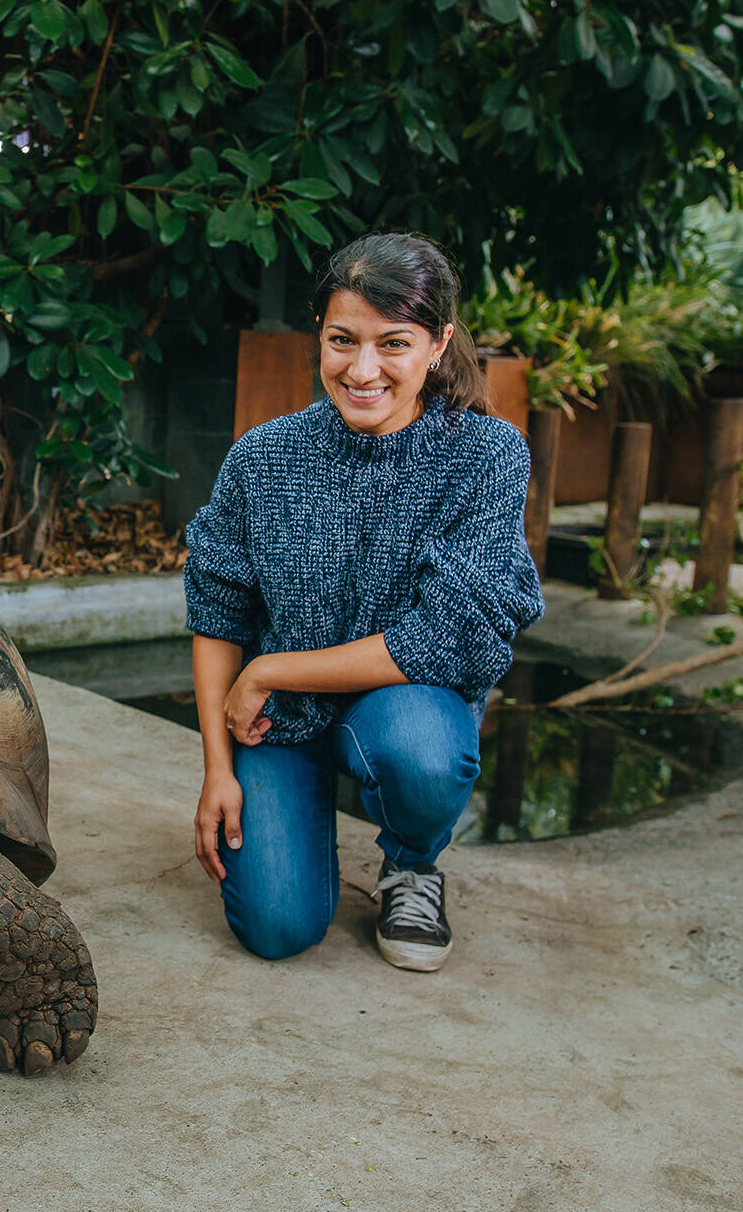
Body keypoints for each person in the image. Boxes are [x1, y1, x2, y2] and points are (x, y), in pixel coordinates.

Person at [185, 232, 544, 973]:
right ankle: (286, 810)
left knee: (420, 750)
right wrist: (218, 770)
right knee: (277, 930)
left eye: (394, 343)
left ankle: (412, 864)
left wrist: (273, 669)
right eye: (342, 339)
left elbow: (443, 639)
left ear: (439, 344)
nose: (362, 369)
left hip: (403, 706)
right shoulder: (263, 455)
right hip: (281, 724)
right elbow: (216, 614)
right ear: (319, 333)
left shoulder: (488, 455)